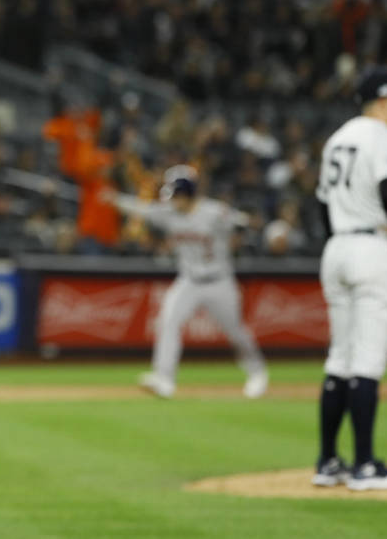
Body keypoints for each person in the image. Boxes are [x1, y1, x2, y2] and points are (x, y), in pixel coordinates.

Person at [311, 66, 387, 491]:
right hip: (373, 247)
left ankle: (327, 461)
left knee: (340, 358)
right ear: (381, 99)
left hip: (337, 246)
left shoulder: (338, 137)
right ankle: (366, 466)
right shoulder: (385, 138)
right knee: (367, 362)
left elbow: (322, 205)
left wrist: (343, 232)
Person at [105, 165, 268, 399]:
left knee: (235, 331)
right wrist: (115, 200)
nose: (173, 201)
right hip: (189, 281)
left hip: (219, 281)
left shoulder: (214, 212)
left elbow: (244, 223)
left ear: (189, 193)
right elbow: (142, 210)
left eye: (177, 196)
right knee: (168, 321)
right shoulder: (168, 212)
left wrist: (247, 221)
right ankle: (164, 379)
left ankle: (257, 373)